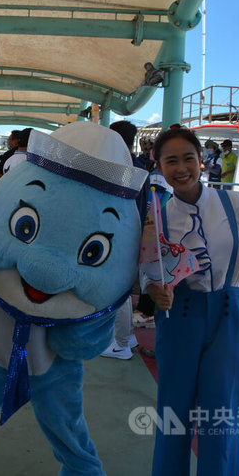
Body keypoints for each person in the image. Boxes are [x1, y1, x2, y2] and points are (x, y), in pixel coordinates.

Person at [146, 128, 239, 476]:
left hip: (229, 313)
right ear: (158, 165)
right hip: (179, 315)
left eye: (188, 158)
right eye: (170, 160)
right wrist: (153, 290)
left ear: (201, 161)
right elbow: (148, 270)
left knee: (221, 416)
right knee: (173, 414)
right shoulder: (156, 215)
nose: (181, 168)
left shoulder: (233, 203)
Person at [101, 120, 149, 359]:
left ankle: (120, 345)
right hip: (135, 234)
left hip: (119, 235)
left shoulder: (120, 167)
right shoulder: (140, 166)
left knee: (116, 291)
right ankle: (127, 336)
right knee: (125, 292)